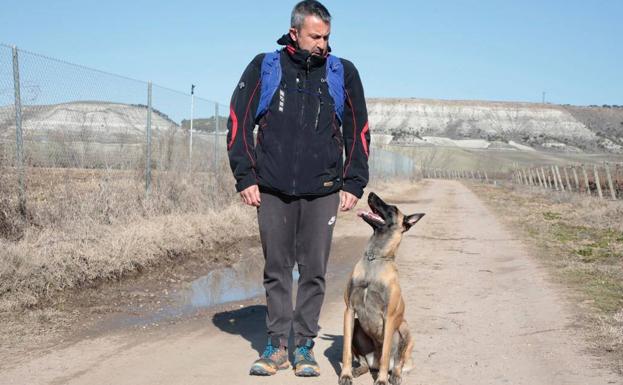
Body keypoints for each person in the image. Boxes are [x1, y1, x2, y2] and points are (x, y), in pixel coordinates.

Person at [226, 0, 370, 377]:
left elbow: (359, 131)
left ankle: (304, 345)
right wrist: (246, 177)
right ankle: (276, 346)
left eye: (327, 36)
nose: (323, 44)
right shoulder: (266, 66)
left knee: (313, 270)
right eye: (315, 36)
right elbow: (238, 121)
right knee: (277, 268)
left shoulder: (342, 72)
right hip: (271, 188)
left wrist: (354, 182)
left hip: (323, 189)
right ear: (294, 33)